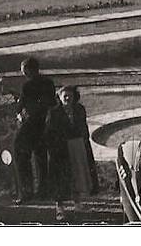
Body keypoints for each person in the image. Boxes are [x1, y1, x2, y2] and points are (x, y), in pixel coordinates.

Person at [44, 86, 94, 221]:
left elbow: (84, 127)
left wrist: (84, 142)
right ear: (59, 97)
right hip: (60, 150)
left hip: (76, 146)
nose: (67, 98)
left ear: (74, 97)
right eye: (64, 96)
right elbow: (49, 133)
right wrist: (54, 149)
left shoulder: (79, 109)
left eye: (70, 96)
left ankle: (77, 204)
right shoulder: (54, 112)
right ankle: (59, 208)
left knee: (76, 175)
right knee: (60, 179)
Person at [13, 58, 56, 203]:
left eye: (24, 70)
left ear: (29, 70)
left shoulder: (28, 85)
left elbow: (21, 107)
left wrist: (19, 110)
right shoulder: (49, 83)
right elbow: (52, 104)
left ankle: (26, 191)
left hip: (31, 125)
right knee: (41, 158)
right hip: (45, 125)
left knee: (20, 153)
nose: (23, 73)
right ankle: (43, 191)